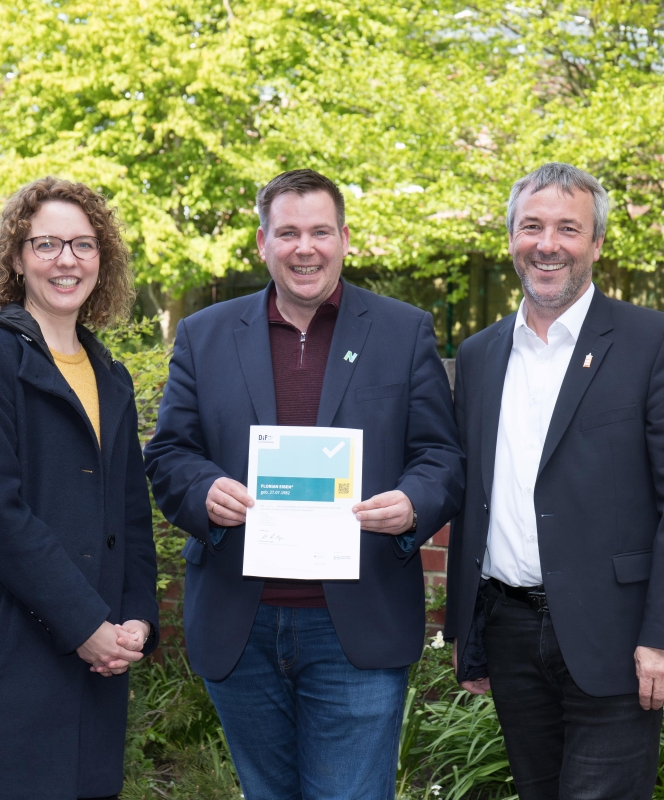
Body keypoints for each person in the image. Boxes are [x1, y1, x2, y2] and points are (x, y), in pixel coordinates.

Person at [143, 169, 463, 800]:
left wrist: (412, 504)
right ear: (262, 242)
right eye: (287, 233)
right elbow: (170, 453)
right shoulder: (205, 335)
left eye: (320, 232)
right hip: (241, 622)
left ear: (344, 239)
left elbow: (441, 456)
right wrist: (203, 490)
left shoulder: (403, 331)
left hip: (357, 624)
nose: (304, 248)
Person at [444, 162, 664, 799]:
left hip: (617, 638)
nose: (548, 244)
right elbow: (472, 498)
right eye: (532, 226)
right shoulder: (479, 355)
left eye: (568, 228)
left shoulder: (656, 342)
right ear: (511, 238)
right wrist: (467, 629)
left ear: (596, 243)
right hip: (510, 631)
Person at [0, 177, 159, 800]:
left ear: (102, 258)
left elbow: (130, 514)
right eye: (46, 244)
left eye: (83, 244)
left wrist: (135, 618)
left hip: (97, 650)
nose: (67, 260)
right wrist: (84, 625)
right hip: (7, 637)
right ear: (17, 258)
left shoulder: (111, 375)